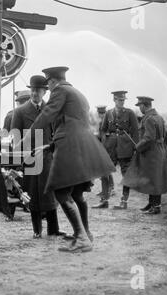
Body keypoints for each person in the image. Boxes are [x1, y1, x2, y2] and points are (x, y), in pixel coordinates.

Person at [17, 67, 115, 252]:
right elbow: (71, 125)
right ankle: (86, 234)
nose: (49, 87)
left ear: (53, 81)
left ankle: (82, 239)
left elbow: (46, 116)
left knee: (61, 193)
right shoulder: (77, 93)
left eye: (49, 83)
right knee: (77, 194)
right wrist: (48, 146)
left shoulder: (60, 91)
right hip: (82, 146)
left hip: (70, 147)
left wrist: (26, 138)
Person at [11, 75, 68, 239]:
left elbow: (56, 132)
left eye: (38, 90)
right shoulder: (20, 112)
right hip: (30, 159)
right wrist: (20, 160)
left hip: (48, 157)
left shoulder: (50, 110)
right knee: (33, 194)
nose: (35, 93)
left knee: (50, 193)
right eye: (33, 90)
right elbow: (15, 137)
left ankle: (53, 229)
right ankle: (37, 229)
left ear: (45, 92)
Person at [123, 97, 167, 214]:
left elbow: (148, 138)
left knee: (154, 179)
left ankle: (156, 206)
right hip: (159, 150)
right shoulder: (159, 117)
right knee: (154, 178)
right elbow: (164, 137)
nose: (139, 108)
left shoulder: (148, 119)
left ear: (145, 105)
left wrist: (138, 146)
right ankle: (152, 203)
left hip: (152, 153)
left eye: (140, 106)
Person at [93, 91, 139, 210]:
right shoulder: (109, 113)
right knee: (104, 172)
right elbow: (103, 130)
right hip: (110, 147)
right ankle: (104, 200)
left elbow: (135, 132)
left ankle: (124, 201)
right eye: (119, 100)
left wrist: (135, 147)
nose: (121, 102)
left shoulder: (130, 113)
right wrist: (105, 142)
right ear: (114, 100)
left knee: (126, 174)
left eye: (123, 100)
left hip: (125, 147)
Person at [95, 106, 114, 199]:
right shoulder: (100, 123)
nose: (101, 115)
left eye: (103, 113)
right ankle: (105, 190)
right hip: (103, 146)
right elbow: (100, 135)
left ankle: (111, 188)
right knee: (104, 169)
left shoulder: (109, 123)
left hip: (107, 147)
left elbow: (108, 135)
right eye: (100, 113)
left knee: (106, 168)